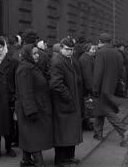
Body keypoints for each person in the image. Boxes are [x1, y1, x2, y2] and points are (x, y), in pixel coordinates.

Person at [16, 44, 53, 167]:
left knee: (30, 135)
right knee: (34, 137)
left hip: (36, 106)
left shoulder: (31, 66)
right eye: (34, 53)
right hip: (31, 109)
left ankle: (25, 161)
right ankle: (39, 163)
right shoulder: (25, 69)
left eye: (37, 53)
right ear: (27, 55)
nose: (37, 55)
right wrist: (31, 111)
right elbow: (25, 92)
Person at [92, 33, 128, 146]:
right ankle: (97, 133)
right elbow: (121, 72)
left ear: (100, 41)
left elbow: (98, 73)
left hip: (102, 87)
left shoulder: (100, 53)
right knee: (100, 108)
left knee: (107, 110)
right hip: (112, 86)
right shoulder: (118, 53)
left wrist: (95, 88)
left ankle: (124, 131)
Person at [50, 36, 83, 167]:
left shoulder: (70, 60)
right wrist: (68, 97)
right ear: (61, 48)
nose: (70, 52)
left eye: (72, 49)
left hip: (71, 102)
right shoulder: (58, 61)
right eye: (68, 49)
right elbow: (55, 84)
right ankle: (60, 160)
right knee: (62, 134)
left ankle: (69, 157)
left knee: (70, 132)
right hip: (63, 104)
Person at [78, 43, 96, 131]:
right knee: (87, 107)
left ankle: (86, 124)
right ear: (87, 50)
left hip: (85, 88)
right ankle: (86, 125)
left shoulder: (87, 58)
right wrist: (91, 89)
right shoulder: (86, 59)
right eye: (92, 49)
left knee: (86, 107)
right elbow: (87, 76)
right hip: (86, 89)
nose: (94, 51)